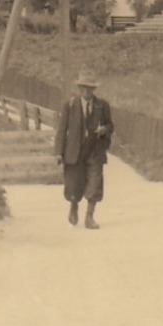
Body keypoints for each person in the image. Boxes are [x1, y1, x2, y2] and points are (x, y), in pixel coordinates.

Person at [55, 68, 113, 230]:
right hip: (75, 151)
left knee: (94, 183)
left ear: (94, 89)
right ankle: (74, 206)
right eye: (83, 88)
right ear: (79, 89)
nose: (87, 91)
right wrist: (59, 152)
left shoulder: (102, 106)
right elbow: (61, 129)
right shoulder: (70, 105)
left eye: (90, 88)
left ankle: (90, 217)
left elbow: (110, 125)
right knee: (74, 183)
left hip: (95, 150)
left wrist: (105, 129)